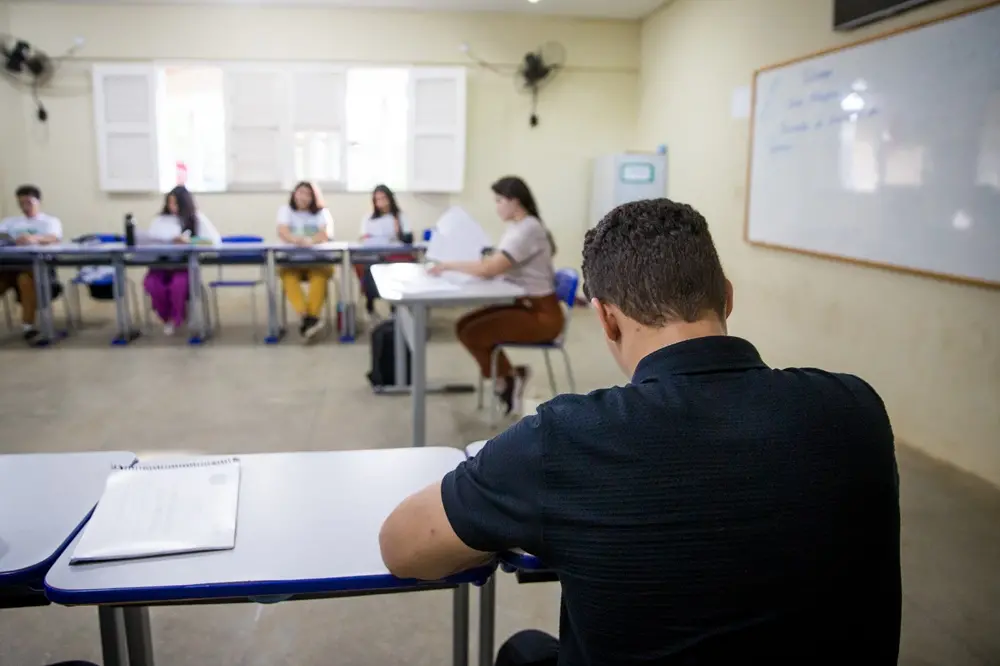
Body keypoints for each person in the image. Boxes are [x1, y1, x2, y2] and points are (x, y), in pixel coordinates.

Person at [380, 198, 901, 665]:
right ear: (727, 297)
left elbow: (402, 546)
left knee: (522, 651)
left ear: (604, 320)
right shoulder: (857, 408)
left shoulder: (565, 440)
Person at [427, 177, 563, 414]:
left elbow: (490, 268)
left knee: (473, 332)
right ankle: (509, 377)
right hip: (526, 305)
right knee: (463, 325)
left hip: (542, 316)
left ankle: (506, 380)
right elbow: (495, 264)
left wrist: (448, 265)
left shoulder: (528, 228)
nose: (497, 206)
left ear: (515, 202)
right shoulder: (518, 227)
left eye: (500, 200)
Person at [143, 186, 221, 336]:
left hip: (184, 266)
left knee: (178, 285)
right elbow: (151, 239)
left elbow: (214, 240)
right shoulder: (160, 220)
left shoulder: (196, 218)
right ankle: (167, 318)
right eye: (170, 203)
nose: (172, 207)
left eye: (176, 203)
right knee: (153, 284)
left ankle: (178, 318)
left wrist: (190, 241)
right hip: (160, 265)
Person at [0, 185, 63, 341]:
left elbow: (54, 238)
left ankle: (28, 326)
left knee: (25, 281)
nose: (25, 207)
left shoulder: (49, 221)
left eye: (28, 202)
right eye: (21, 203)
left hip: (35, 266)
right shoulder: (10, 222)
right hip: (9, 265)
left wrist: (34, 239)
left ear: (38, 201)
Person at [277, 181, 335, 341]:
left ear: (314, 197)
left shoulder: (322, 212)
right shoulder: (285, 210)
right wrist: (295, 240)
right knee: (287, 276)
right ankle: (307, 317)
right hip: (292, 261)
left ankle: (310, 318)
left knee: (319, 277)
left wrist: (310, 241)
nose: (303, 197)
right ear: (294, 194)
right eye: (300, 192)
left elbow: (325, 234)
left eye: (308, 194)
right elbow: (283, 231)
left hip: (318, 260)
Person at [358, 184, 411, 317]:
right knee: (367, 268)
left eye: (383, 198)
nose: (381, 202)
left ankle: (395, 309)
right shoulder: (368, 218)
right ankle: (370, 304)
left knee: (395, 270)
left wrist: (398, 230)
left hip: (394, 256)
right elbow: (364, 238)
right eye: (378, 199)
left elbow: (408, 239)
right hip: (374, 255)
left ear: (390, 199)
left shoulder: (399, 216)